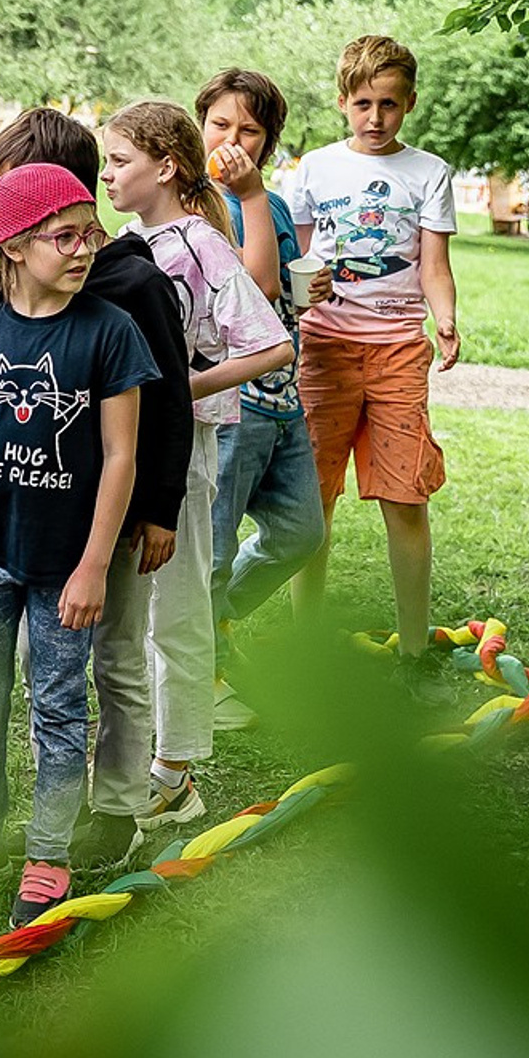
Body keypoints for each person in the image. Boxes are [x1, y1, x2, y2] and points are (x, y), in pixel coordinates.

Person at [0, 108, 193, 872]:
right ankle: (9, 826)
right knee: (9, 688)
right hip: (2, 529)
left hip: (103, 520)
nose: (1, 212)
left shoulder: (129, 289)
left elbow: (167, 405)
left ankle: (116, 807)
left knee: (114, 662)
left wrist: (157, 510)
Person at [100, 101, 291, 834]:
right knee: (131, 616)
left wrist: (183, 387)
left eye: (120, 161)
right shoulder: (127, 241)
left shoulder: (203, 244)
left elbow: (271, 345)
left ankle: (175, 775)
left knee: (175, 614)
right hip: (127, 449)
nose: (107, 174)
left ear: (166, 167)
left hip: (182, 452)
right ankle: (133, 760)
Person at [287, 35, 460, 691]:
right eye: (363, 104)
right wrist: (302, 297)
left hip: (397, 354)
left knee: (405, 496)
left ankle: (415, 650)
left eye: (389, 104)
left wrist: (445, 317)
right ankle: (305, 642)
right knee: (314, 502)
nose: (376, 117)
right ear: (342, 102)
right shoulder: (314, 170)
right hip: (324, 353)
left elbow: (434, 265)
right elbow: (298, 264)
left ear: (409, 103)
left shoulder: (429, 173)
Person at [194, 70, 332, 726]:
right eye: (220, 125)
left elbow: (281, 294)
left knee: (301, 532)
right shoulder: (195, 207)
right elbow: (252, 289)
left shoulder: (270, 204)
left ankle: (209, 626)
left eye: (249, 130)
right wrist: (246, 194)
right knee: (213, 549)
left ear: (269, 142)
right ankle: (201, 676)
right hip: (230, 404)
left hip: (282, 400)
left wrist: (314, 293)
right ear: (198, 128)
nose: (233, 140)